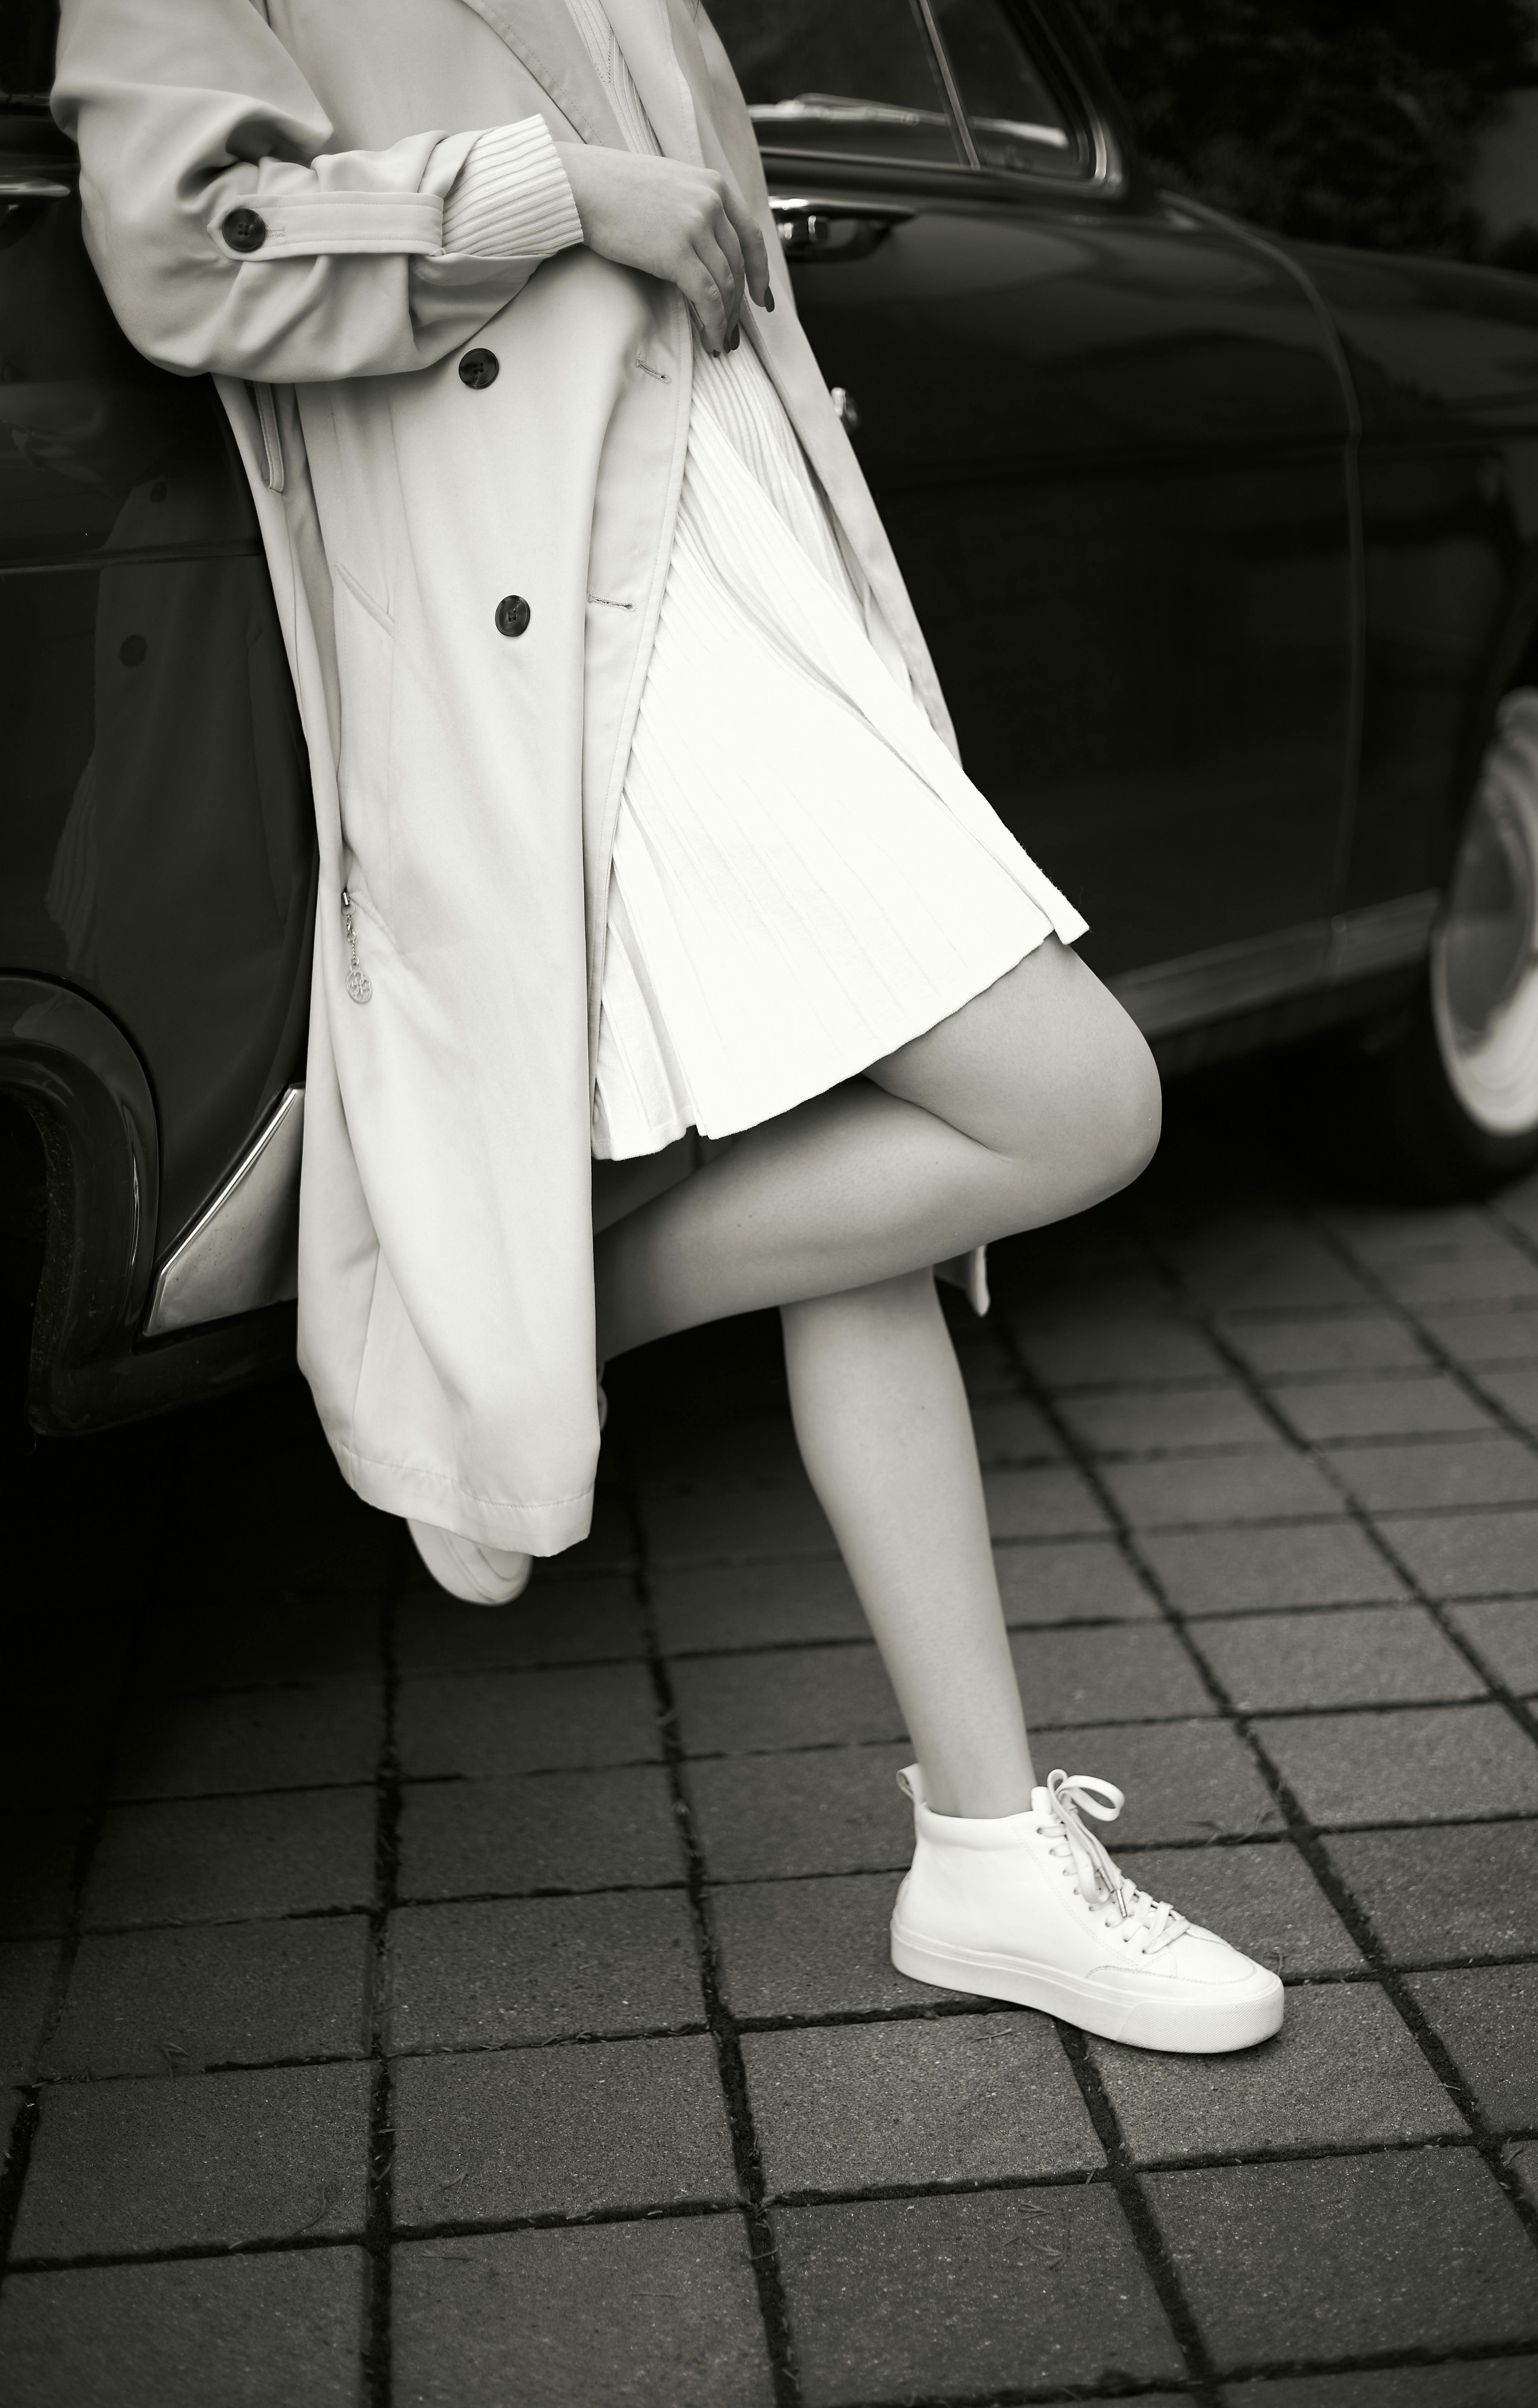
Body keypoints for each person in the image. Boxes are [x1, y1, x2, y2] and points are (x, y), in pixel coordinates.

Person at [56, 0, 1282, 2054]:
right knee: (1073, 1096)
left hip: (754, 560)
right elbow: (192, 243)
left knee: (862, 1209)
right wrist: (560, 192)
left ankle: (985, 1850)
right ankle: (470, 1336)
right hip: (584, 629)